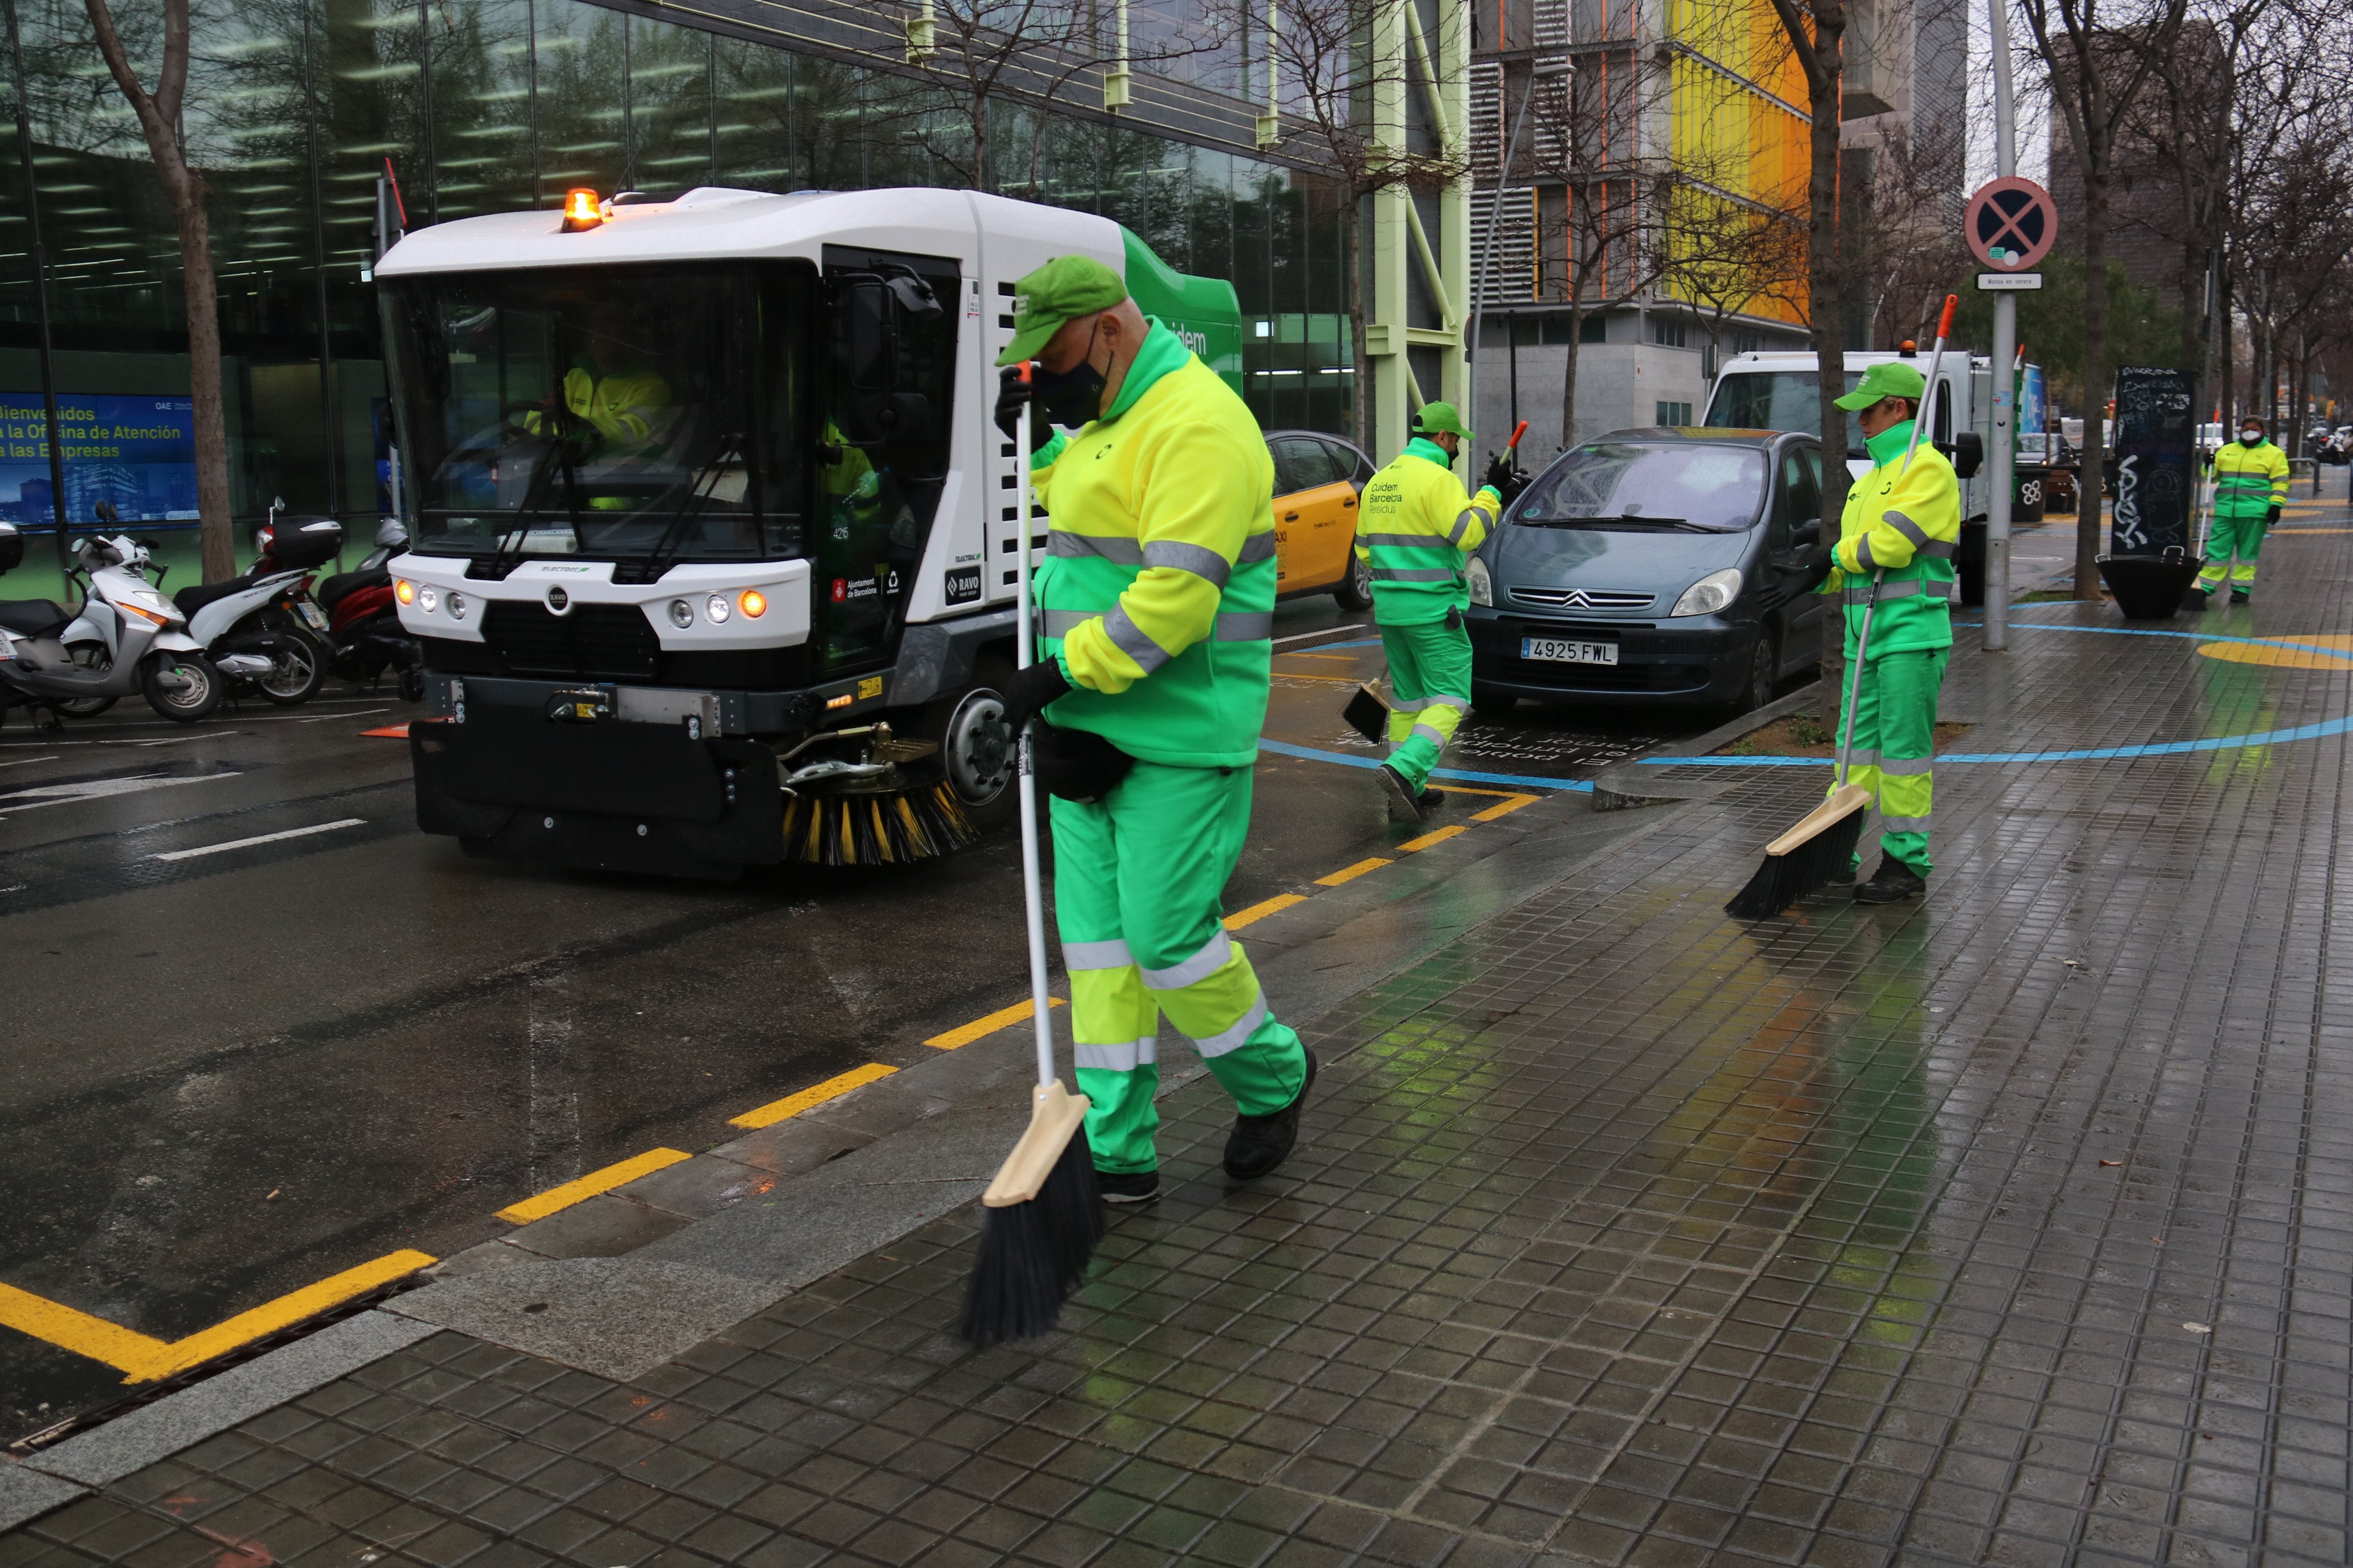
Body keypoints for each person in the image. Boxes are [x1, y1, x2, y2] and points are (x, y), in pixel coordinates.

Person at [990, 255, 1313, 1206]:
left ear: (1109, 331)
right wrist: (1042, 449)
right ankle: (1118, 1148)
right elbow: (1097, 509)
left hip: (1175, 736)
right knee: (1097, 955)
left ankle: (1276, 1077)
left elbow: (1173, 601)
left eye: (1056, 358)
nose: (1052, 376)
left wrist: (1054, 676)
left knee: (1168, 942)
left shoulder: (1200, 425)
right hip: (1084, 726)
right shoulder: (1109, 421)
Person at [1826, 361, 1961, 904]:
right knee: (1851, 753)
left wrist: (1836, 554)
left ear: (1897, 408)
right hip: (1862, 638)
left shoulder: (1925, 470)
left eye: (1867, 408)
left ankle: (1905, 861)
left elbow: (1889, 547)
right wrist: (1819, 573)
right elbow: (1856, 559)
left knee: (1902, 754)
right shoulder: (1872, 479)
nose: (1858, 419)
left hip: (1909, 634)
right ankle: (1836, 847)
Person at [1353, 403, 1516, 822]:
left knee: (1409, 701)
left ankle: (1409, 789)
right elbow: (1468, 534)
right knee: (1450, 697)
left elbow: (1364, 550)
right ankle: (1404, 771)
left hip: (1391, 611)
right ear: (1442, 438)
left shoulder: (1379, 481)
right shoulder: (1438, 479)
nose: (1457, 446)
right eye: (1456, 439)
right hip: (1432, 610)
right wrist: (1492, 491)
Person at [2196, 416, 2290, 605]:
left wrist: (2276, 505)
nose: (2250, 431)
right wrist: (2208, 464)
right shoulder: (2227, 451)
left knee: (2247, 553)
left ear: (2263, 431)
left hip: (2255, 512)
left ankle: (2241, 590)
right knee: (2216, 551)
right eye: (2246, 428)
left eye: (2254, 428)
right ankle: (2205, 587)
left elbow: (2281, 482)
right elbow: (2211, 477)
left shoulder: (2274, 454)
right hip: (2225, 510)